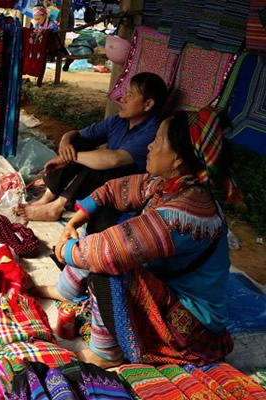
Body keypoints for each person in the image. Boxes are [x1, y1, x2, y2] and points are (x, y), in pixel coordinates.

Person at [32, 106, 242, 368]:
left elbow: (105, 252)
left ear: (178, 159)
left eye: (159, 140)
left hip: (192, 328)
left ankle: (105, 352)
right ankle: (65, 291)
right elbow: (113, 190)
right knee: (103, 222)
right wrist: (74, 221)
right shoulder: (171, 185)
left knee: (107, 261)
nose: (151, 146)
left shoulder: (182, 213)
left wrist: (64, 249)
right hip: (169, 291)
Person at [16, 72, 168, 223]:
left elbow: (114, 160)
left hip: (125, 188)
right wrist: (65, 142)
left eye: (130, 95)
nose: (122, 99)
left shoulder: (153, 131)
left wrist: (69, 157)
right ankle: (46, 199)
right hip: (102, 180)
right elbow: (77, 135)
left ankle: (56, 207)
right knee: (76, 144)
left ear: (148, 104)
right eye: (125, 93)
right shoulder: (118, 121)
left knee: (100, 161)